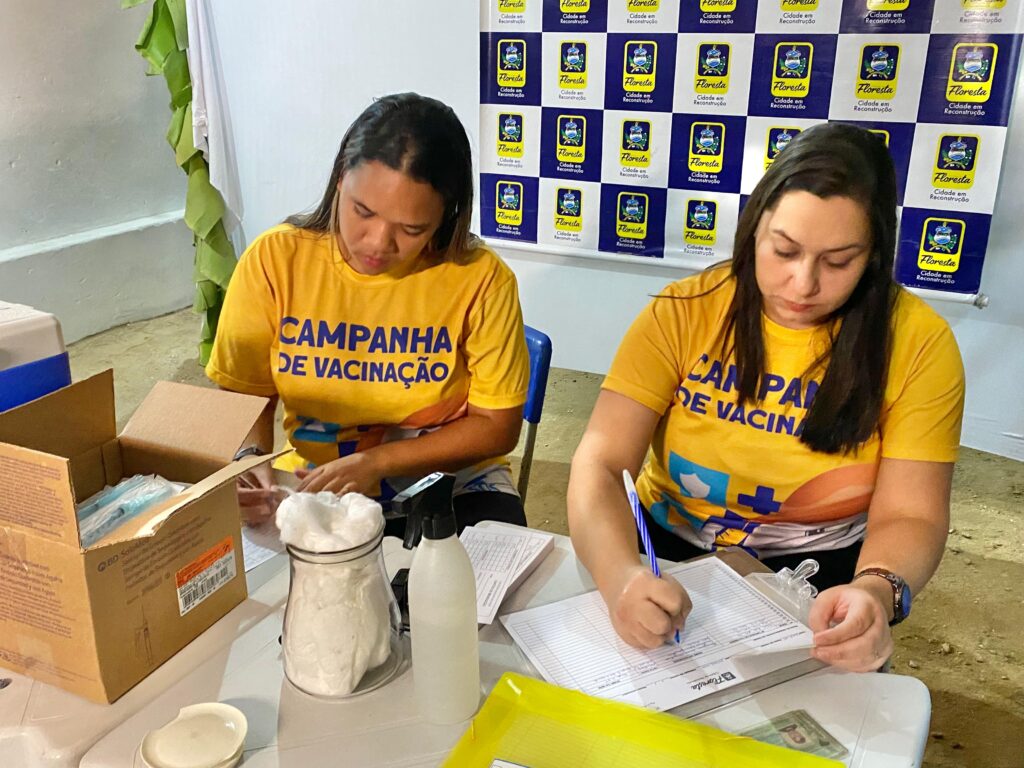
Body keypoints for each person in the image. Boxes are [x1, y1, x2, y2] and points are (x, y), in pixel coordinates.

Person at [567, 123, 964, 672]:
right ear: (753, 231)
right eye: (784, 250)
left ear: (874, 256)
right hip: (665, 552)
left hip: (822, 576)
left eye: (838, 261)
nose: (803, 284)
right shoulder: (686, 311)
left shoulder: (918, 344)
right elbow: (601, 463)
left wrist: (876, 590)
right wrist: (621, 578)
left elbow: (912, 514)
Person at [206, 93, 530, 533]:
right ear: (341, 179)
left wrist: (378, 461)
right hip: (318, 484)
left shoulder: (482, 279)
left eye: (412, 229)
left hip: (452, 484)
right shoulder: (275, 261)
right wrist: (249, 460)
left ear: (446, 217)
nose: (378, 243)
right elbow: (244, 396)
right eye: (363, 211)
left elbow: (497, 427)